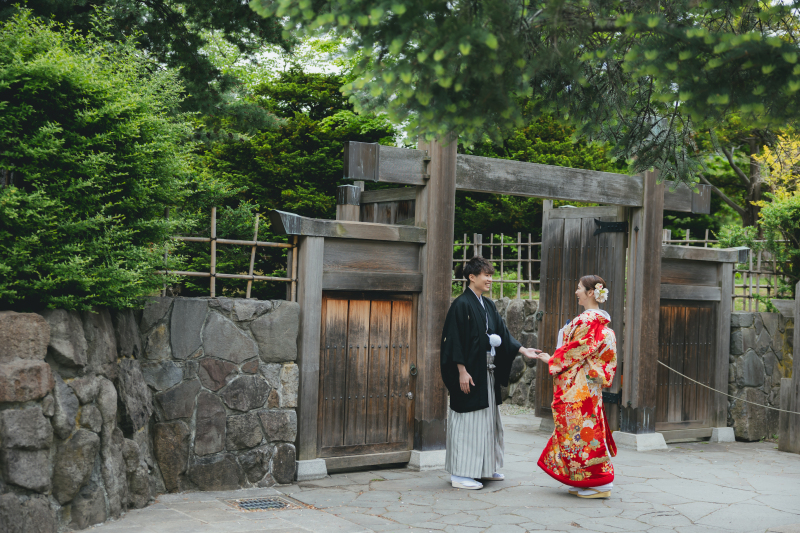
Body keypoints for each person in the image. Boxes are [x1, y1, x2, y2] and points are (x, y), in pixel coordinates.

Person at [440, 256, 538, 490]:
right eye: (486, 275)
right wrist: (461, 371)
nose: (490, 279)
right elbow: (453, 340)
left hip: (487, 371)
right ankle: (461, 473)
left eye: (491, 275)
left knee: (487, 421)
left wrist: (523, 349)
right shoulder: (461, 304)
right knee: (468, 421)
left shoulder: (488, 304)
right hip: (470, 371)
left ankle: (483, 468)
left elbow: (502, 333)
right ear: (471, 277)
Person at [526, 274, 618, 499]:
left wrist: (552, 360)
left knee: (582, 432)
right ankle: (583, 479)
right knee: (581, 431)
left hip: (579, 386)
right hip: (588, 386)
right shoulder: (600, 321)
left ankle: (600, 481)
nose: (576, 292)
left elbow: (575, 352)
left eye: (579, 288)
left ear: (590, 292)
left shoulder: (586, 320)